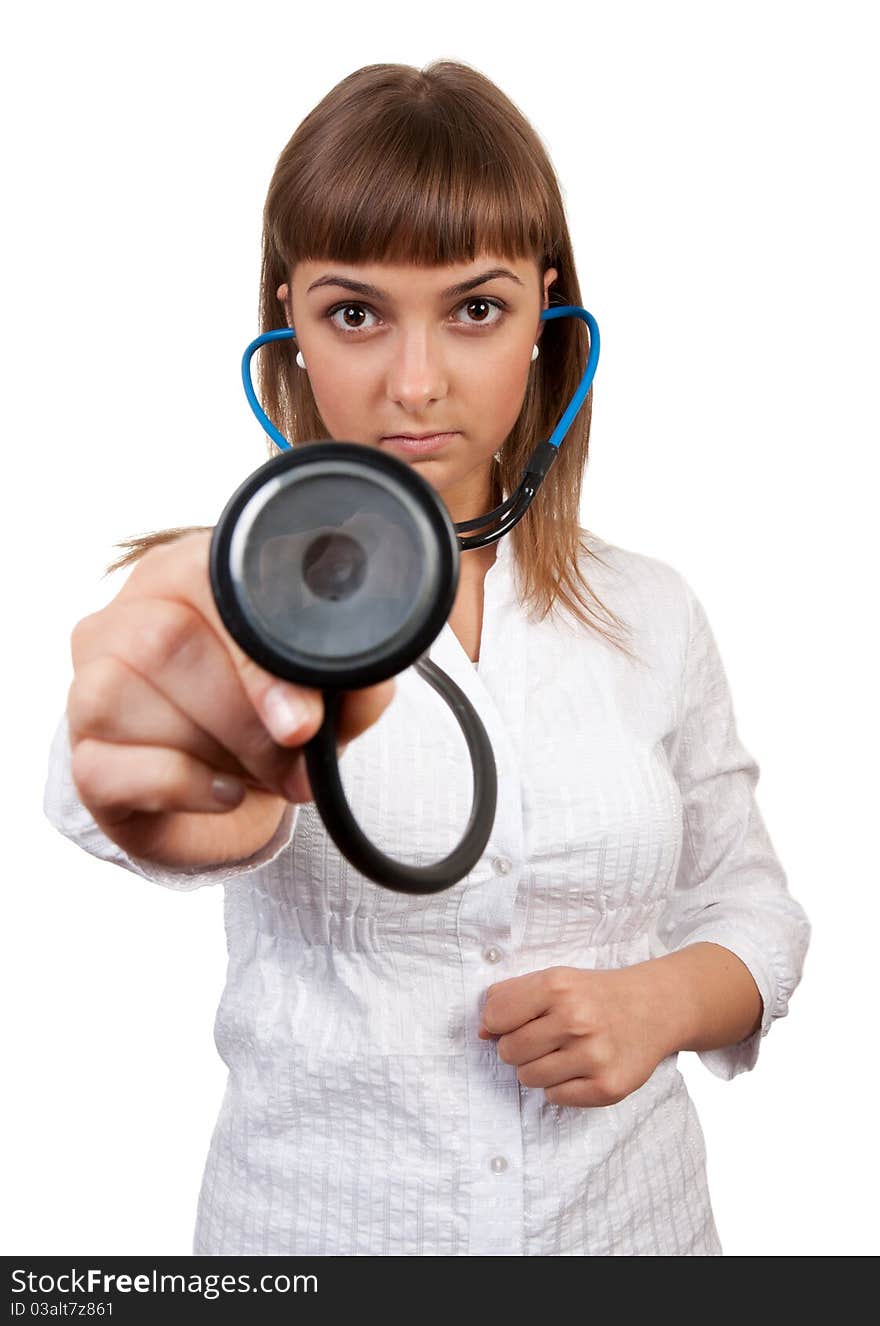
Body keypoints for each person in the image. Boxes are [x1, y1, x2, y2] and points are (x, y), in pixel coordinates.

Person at [43, 59, 811, 1257]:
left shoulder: (652, 612)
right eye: (355, 314)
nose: (414, 383)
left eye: (475, 308)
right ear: (287, 324)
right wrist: (176, 775)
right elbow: (121, 761)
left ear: (547, 314)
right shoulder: (224, 603)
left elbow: (751, 905)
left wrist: (662, 1002)